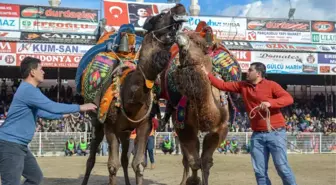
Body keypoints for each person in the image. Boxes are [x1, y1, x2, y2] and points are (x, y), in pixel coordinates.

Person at [0, 57, 97, 185]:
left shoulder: (28, 89)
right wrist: (81, 107)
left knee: (35, 178)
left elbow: (41, 112)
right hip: (11, 144)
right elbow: (52, 106)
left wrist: (61, 116)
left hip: (19, 145)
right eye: (41, 69)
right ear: (32, 72)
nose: (44, 72)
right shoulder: (28, 90)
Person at [201, 62, 297, 185]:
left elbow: (289, 98)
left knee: (282, 168)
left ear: (258, 74)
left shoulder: (271, 85)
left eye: (250, 70)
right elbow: (223, 85)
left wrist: (270, 103)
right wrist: (207, 74)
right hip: (257, 135)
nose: (247, 72)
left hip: (276, 133)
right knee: (259, 172)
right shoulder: (243, 86)